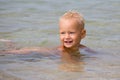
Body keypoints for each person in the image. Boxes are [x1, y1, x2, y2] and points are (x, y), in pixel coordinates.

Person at [0, 11, 95, 71]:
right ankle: (8, 49)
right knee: (19, 53)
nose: (67, 37)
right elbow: (35, 51)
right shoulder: (58, 51)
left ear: (82, 34)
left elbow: (98, 56)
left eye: (71, 33)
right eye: (63, 33)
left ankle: (10, 45)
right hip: (45, 54)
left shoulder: (85, 50)